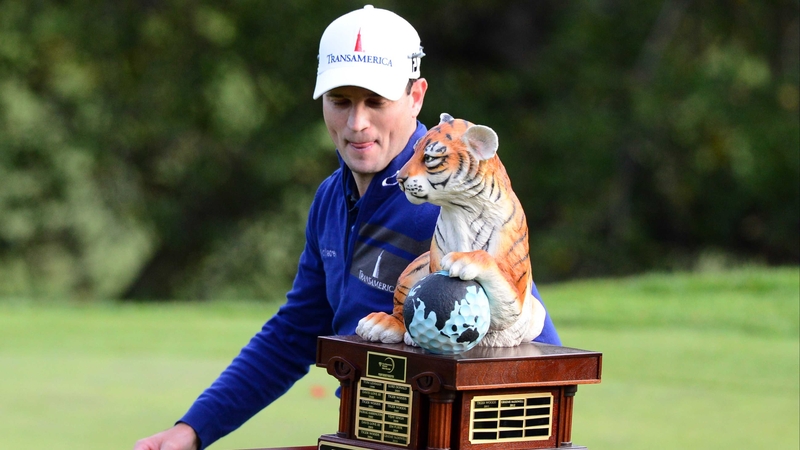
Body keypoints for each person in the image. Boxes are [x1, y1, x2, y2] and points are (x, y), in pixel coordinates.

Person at [134, 5, 561, 450]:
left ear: (416, 96)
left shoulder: (452, 206)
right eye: (340, 101)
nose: (357, 124)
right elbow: (295, 333)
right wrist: (193, 430)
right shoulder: (330, 198)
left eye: (376, 102)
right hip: (365, 437)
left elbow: (533, 354)